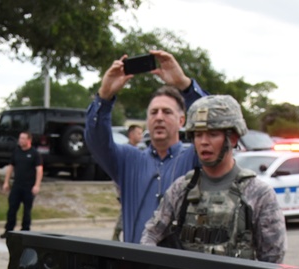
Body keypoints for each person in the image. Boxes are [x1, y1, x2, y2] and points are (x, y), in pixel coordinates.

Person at [141, 95, 286, 262]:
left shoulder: (258, 193)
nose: (204, 142)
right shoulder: (181, 188)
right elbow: (151, 234)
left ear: (233, 138)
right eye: (198, 135)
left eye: (213, 134)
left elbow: (273, 258)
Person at [85, 50, 208, 243]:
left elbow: (214, 127)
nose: (159, 117)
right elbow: (96, 140)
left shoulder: (193, 158)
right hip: (135, 268)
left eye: (167, 112)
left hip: (179, 268)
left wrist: (185, 85)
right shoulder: (128, 160)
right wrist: (105, 96)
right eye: (153, 112)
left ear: (182, 120)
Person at [0, 131, 43, 237]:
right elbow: (10, 168)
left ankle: (25, 231)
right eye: (20, 138)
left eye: (23, 138)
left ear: (29, 140)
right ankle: (9, 230)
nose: (20, 140)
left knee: (27, 210)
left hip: (29, 186)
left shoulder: (34, 154)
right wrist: (6, 182)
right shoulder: (16, 152)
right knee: (12, 208)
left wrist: (37, 185)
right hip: (17, 185)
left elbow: (39, 170)